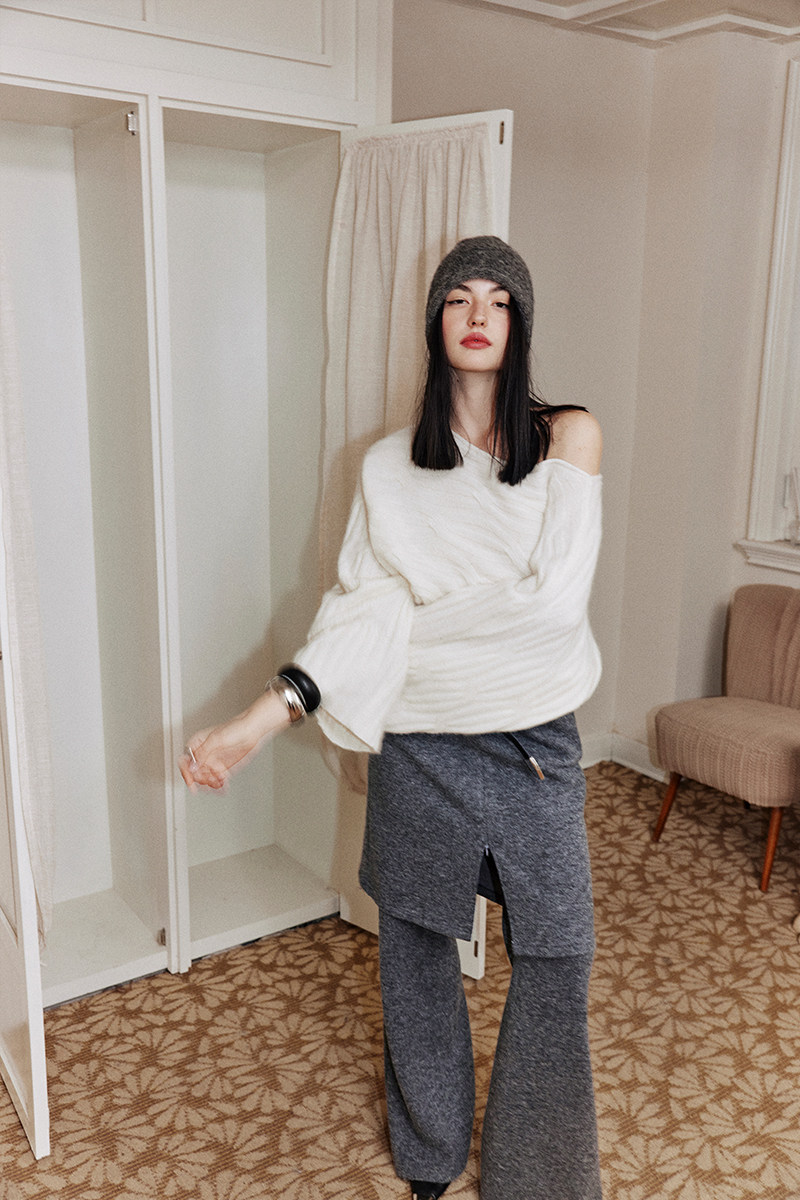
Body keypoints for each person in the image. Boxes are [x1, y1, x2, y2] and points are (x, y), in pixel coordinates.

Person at [180, 235, 604, 1200]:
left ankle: (538, 1175)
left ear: (521, 323)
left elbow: (550, 615)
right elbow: (359, 615)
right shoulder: (384, 468)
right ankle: (428, 1151)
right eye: (460, 298)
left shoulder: (568, 437)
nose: (480, 314)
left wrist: (408, 631)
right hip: (419, 751)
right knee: (413, 953)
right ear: (434, 320)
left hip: (533, 747)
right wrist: (258, 719)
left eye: (500, 300)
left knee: (559, 947)